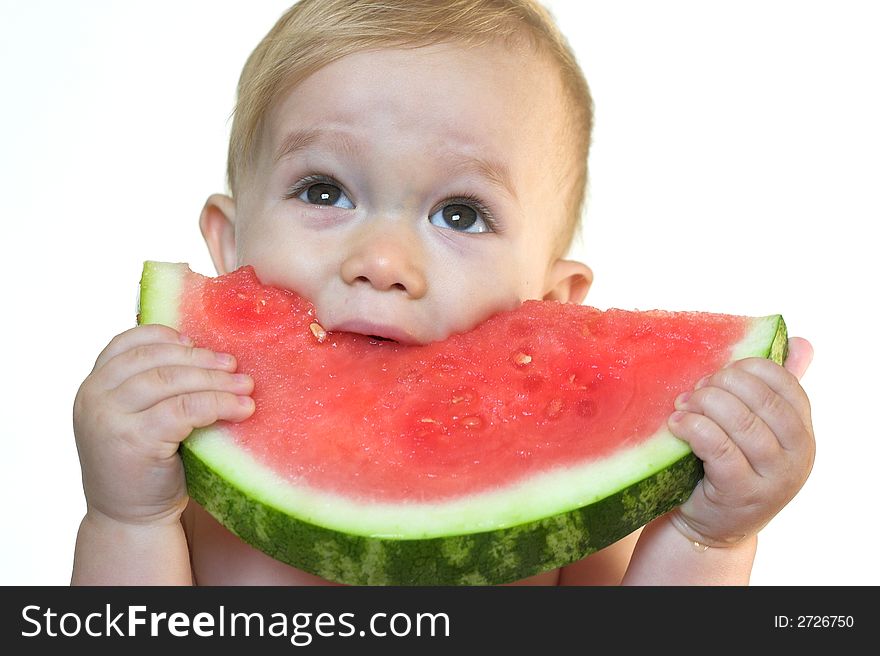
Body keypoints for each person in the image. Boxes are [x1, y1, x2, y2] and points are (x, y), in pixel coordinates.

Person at [71, 0, 815, 585]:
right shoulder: (193, 490)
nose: (384, 260)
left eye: (461, 213)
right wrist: (128, 519)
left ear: (557, 302)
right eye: (324, 191)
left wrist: (708, 537)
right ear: (228, 243)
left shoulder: (551, 515)